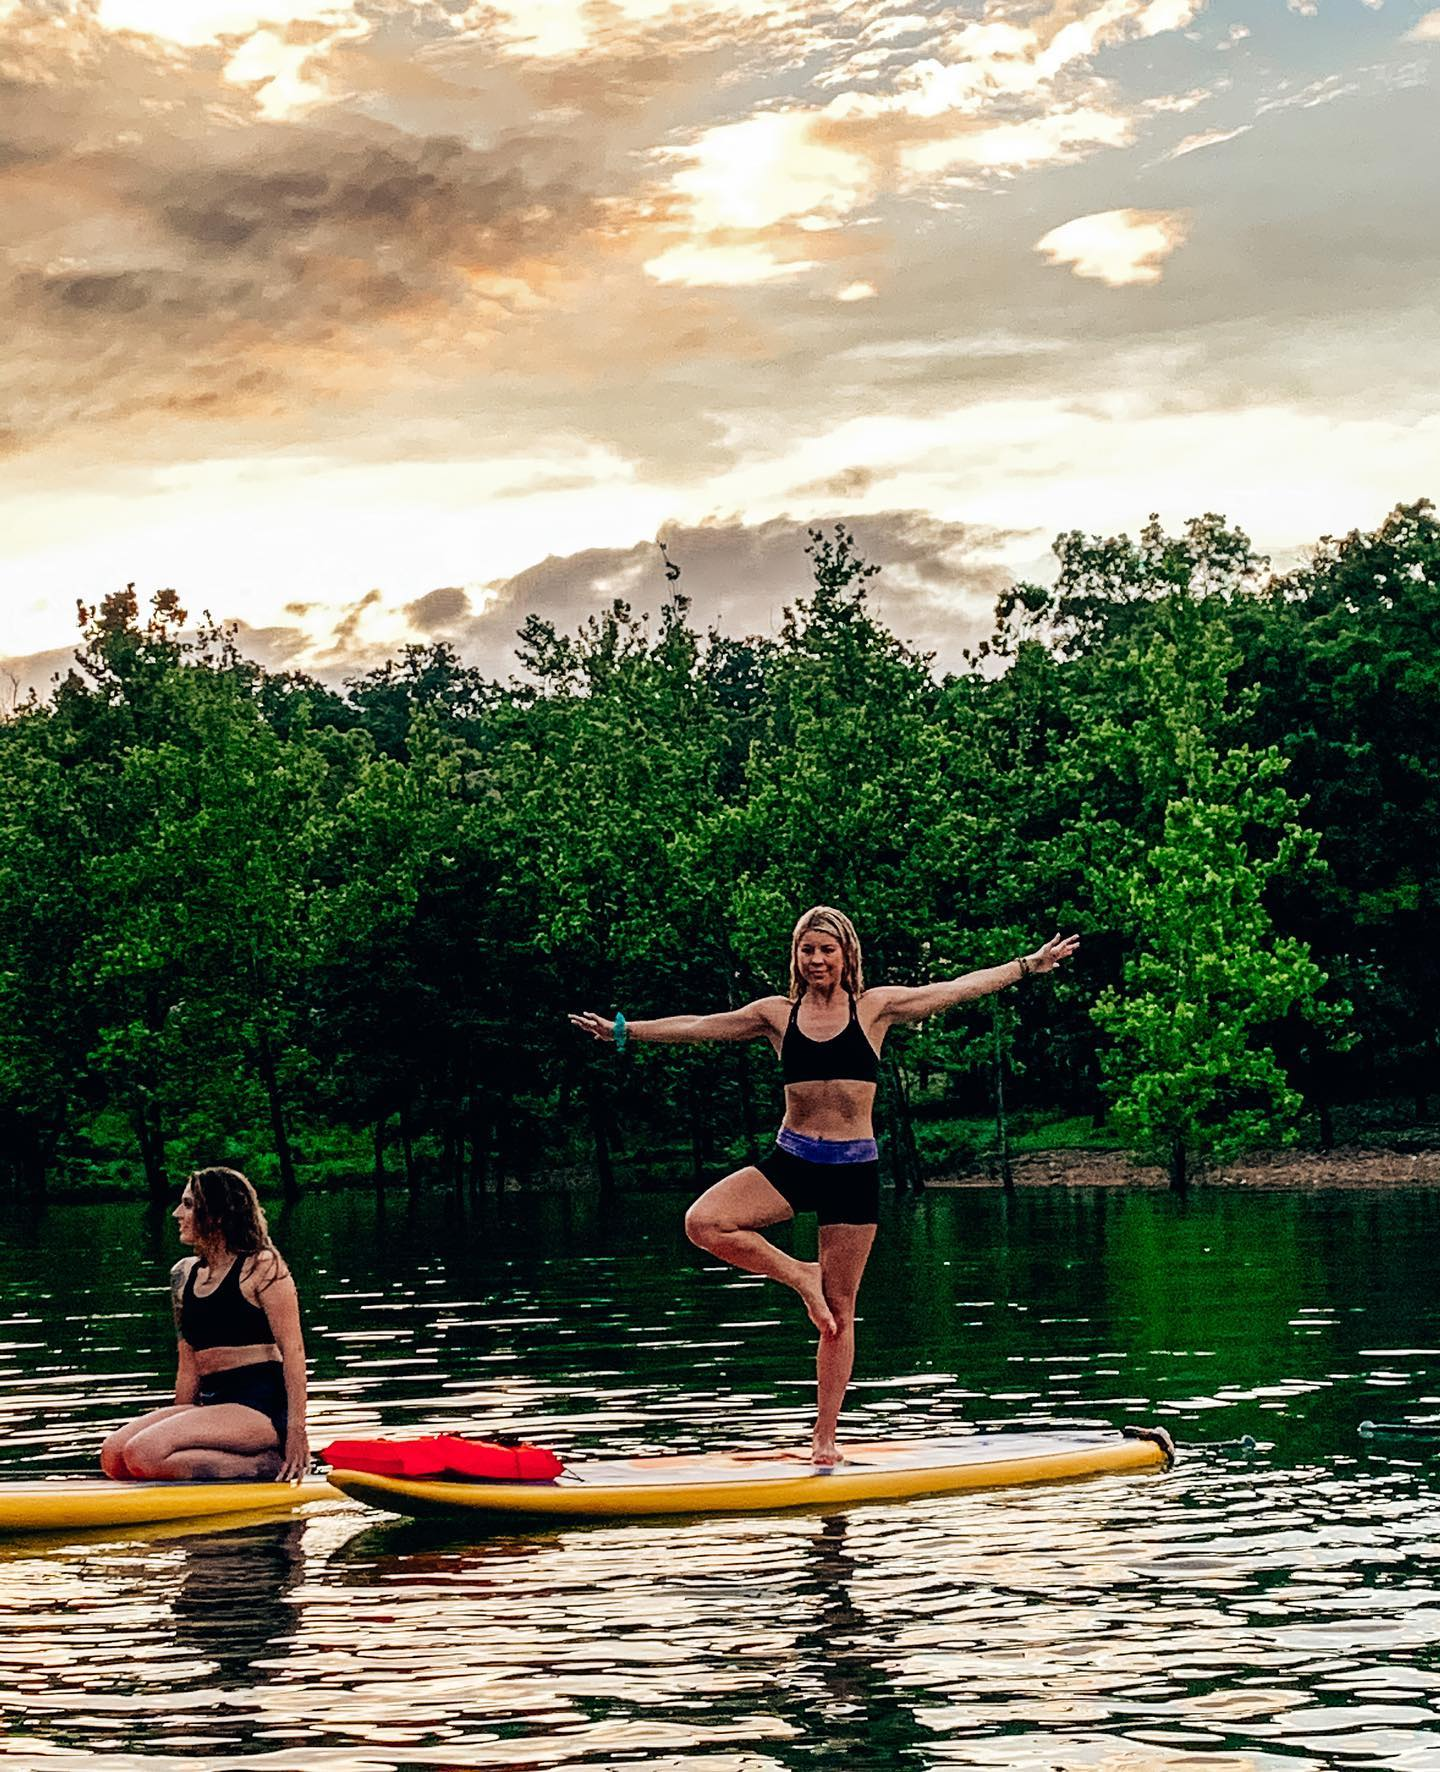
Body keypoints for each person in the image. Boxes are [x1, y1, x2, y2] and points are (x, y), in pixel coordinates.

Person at [570, 906, 1078, 1465]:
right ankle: (799, 1274)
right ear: (796, 956)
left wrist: (1028, 966)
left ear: (846, 955)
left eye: (826, 950)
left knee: (840, 1312)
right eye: (807, 950)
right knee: (703, 1222)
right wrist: (625, 1031)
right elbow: (698, 1026)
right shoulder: (775, 1016)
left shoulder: (876, 1008)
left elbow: (954, 989)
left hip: (853, 1173)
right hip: (793, 1162)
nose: (816, 960)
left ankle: (824, 1438)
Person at [100, 1166, 310, 1483]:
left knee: (143, 1453)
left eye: (188, 1204)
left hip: (260, 1407)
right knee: (115, 1457)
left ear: (217, 1215)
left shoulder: (262, 1265)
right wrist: (175, 1430)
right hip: (215, 1404)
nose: (176, 1214)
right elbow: (188, 1364)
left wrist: (297, 1432)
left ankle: (263, 1466)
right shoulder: (183, 1275)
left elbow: (293, 1352)